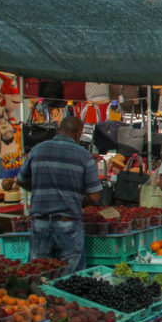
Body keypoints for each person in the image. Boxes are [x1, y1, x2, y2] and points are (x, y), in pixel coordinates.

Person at [16, 116, 101, 273]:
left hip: (40, 221)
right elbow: (95, 196)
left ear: (57, 130)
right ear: (78, 133)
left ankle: (40, 296)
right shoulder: (83, 155)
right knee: (70, 276)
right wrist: (77, 200)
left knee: (38, 272)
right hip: (68, 222)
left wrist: (39, 190)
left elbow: (21, 180)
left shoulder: (37, 149)